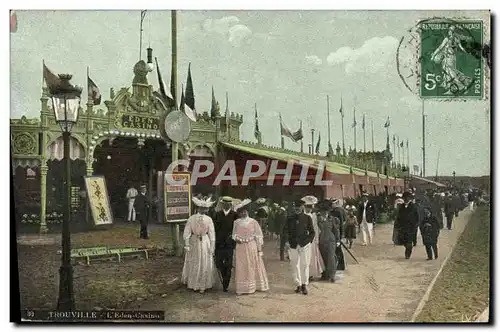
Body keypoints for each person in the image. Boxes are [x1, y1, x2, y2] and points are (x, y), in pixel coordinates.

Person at [232, 198, 269, 295]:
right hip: (241, 247)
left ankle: (253, 287)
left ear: (247, 211)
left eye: (245, 212)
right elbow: (234, 234)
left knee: (252, 265)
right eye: (241, 212)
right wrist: (236, 238)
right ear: (239, 213)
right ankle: (242, 288)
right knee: (242, 266)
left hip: (251, 246)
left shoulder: (253, 222)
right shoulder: (236, 222)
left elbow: (259, 235)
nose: (243, 213)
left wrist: (259, 248)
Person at [181, 196, 216, 293]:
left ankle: (203, 284)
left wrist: (212, 246)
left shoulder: (209, 219)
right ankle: (194, 283)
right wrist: (187, 244)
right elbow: (187, 231)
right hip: (194, 241)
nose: (203, 210)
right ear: (197, 208)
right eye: (201, 208)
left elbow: (212, 233)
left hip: (205, 241)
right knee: (194, 261)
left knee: (204, 261)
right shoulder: (192, 218)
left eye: (205, 208)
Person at [284, 199, 316, 295]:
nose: (297, 209)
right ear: (294, 208)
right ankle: (298, 284)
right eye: (296, 207)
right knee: (294, 265)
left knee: (305, 265)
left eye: (299, 207)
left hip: (304, 245)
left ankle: (304, 285)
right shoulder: (290, 218)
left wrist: (308, 242)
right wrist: (286, 242)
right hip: (293, 245)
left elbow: (312, 232)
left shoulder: (307, 218)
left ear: (303, 207)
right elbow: (285, 231)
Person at [213, 196, 238, 292]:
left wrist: (234, 238)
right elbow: (214, 229)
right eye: (225, 204)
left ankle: (225, 284)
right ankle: (224, 277)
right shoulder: (217, 214)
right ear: (222, 204)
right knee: (219, 263)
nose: (227, 205)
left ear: (231, 205)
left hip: (229, 244)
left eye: (229, 204)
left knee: (228, 264)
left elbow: (237, 228)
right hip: (219, 243)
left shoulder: (235, 215)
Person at [302, 196, 324, 281]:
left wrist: (316, 239)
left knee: (312, 257)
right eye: (308, 206)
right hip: (304, 239)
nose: (309, 209)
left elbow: (316, 229)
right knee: (305, 257)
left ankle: (311, 274)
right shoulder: (302, 215)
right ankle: (305, 274)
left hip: (312, 239)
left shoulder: (313, 216)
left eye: (311, 207)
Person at [317, 200, 340, 283]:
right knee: (323, 258)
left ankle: (332, 275)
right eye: (323, 211)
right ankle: (325, 275)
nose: (324, 213)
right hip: (321, 240)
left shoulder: (332, 219)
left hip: (331, 240)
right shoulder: (317, 218)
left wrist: (338, 240)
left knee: (331, 258)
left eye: (326, 211)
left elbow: (336, 230)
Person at [395, 191, 420, 259]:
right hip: (402, 227)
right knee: (403, 241)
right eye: (404, 198)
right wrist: (398, 225)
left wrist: (415, 226)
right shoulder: (402, 206)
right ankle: (408, 248)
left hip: (411, 227)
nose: (406, 199)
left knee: (409, 241)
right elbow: (399, 216)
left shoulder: (414, 206)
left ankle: (407, 254)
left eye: (407, 197)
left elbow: (417, 217)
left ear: (409, 198)